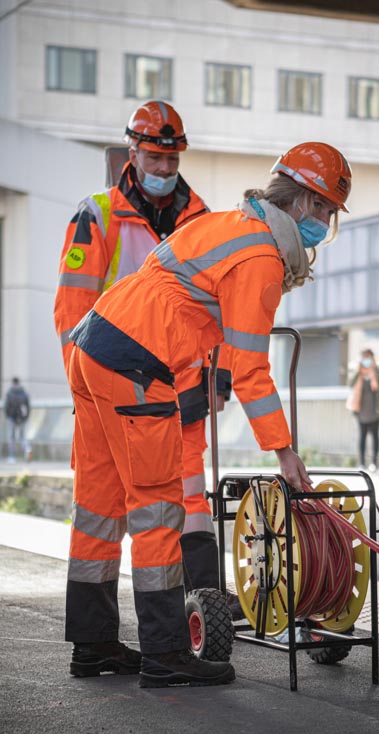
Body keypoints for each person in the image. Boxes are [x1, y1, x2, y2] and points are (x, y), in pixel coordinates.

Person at [63, 141, 352, 688]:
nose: (326, 225)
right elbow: (249, 371)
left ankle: (93, 642)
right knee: (156, 507)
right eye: (328, 212)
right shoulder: (262, 257)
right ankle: (166, 654)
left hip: (93, 347)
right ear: (308, 205)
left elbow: (180, 305)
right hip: (137, 363)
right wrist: (285, 454)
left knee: (99, 506)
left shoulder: (225, 223)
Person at [53, 100, 233, 620]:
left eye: (172, 160)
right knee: (107, 509)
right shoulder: (99, 215)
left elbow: (217, 303)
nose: (164, 169)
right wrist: (83, 392)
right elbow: (72, 310)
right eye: (155, 158)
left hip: (184, 382)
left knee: (190, 495)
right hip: (117, 381)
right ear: (132, 151)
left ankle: (206, 609)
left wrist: (218, 374)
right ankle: (106, 636)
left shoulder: (200, 217)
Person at [347, 349, 379, 472]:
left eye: (368, 357)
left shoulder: (378, 370)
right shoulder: (356, 371)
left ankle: (374, 462)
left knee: (375, 436)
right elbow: (350, 383)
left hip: (376, 411)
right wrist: (358, 371)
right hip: (360, 411)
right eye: (364, 357)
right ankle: (361, 463)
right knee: (362, 437)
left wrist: (374, 369)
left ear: (372, 358)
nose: (366, 360)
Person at [3, 377, 31, 463]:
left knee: (12, 437)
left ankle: (12, 457)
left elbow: (6, 407)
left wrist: (8, 416)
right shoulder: (24, 393)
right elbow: (28, 407)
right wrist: (25, 417)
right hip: (22, 418)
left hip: (12, 418)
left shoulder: (9, 393)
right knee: (22, 437)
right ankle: (27, 449)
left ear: (12, 383)